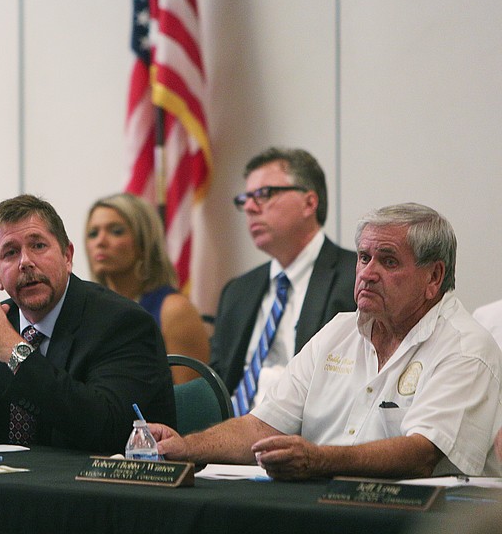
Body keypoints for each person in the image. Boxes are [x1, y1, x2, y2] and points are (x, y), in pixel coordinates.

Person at [149, 203, 502, 480]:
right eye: (364, 257)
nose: (367, 273)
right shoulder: (339, 330)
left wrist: (319, 459)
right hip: (324, 504)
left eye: (389, 261)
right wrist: (187, 447)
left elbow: (421, 455)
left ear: (434, 276)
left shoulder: (466, 348)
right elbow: (260, 426)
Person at [0, 194, 176, 454]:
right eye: (10, 253)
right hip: (1, 490)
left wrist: (15, 352)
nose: (26, 262)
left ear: (67, 256)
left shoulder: (122, 323)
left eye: (38, 246)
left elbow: (111, 429)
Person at [209, 147, 356, 413]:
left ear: (309, 203)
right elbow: (217, 382)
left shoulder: (356, 278)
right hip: (230, 438)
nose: (250, 208)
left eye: (264, 194)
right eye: (245, 199)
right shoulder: (238, 291)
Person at [85, 193, 209, 383]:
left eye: (116, 231)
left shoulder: (174, 310)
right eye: (93, 233)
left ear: (144, 243)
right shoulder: (87, 310)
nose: (100, 242)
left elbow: (190, 402)